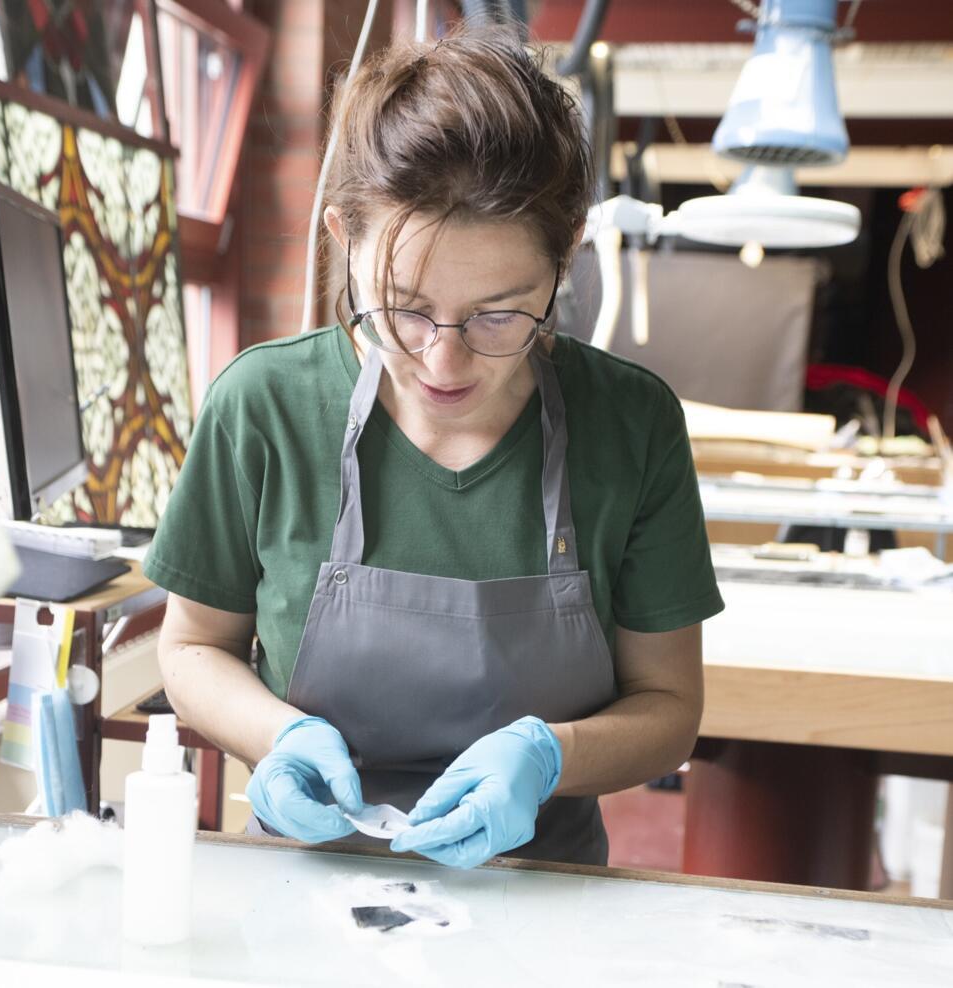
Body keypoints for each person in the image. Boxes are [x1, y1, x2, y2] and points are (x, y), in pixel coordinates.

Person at [144, 29, 724, 869]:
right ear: (344, 239)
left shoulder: (630, 428)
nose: (441, 360)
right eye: (403, 308)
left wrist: (549, 753)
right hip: (295, 882)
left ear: (562, 261)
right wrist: (281, 735)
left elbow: (669, 706)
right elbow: (191, 646)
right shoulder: (264, 407)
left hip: (545, 889)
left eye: (498, 314)